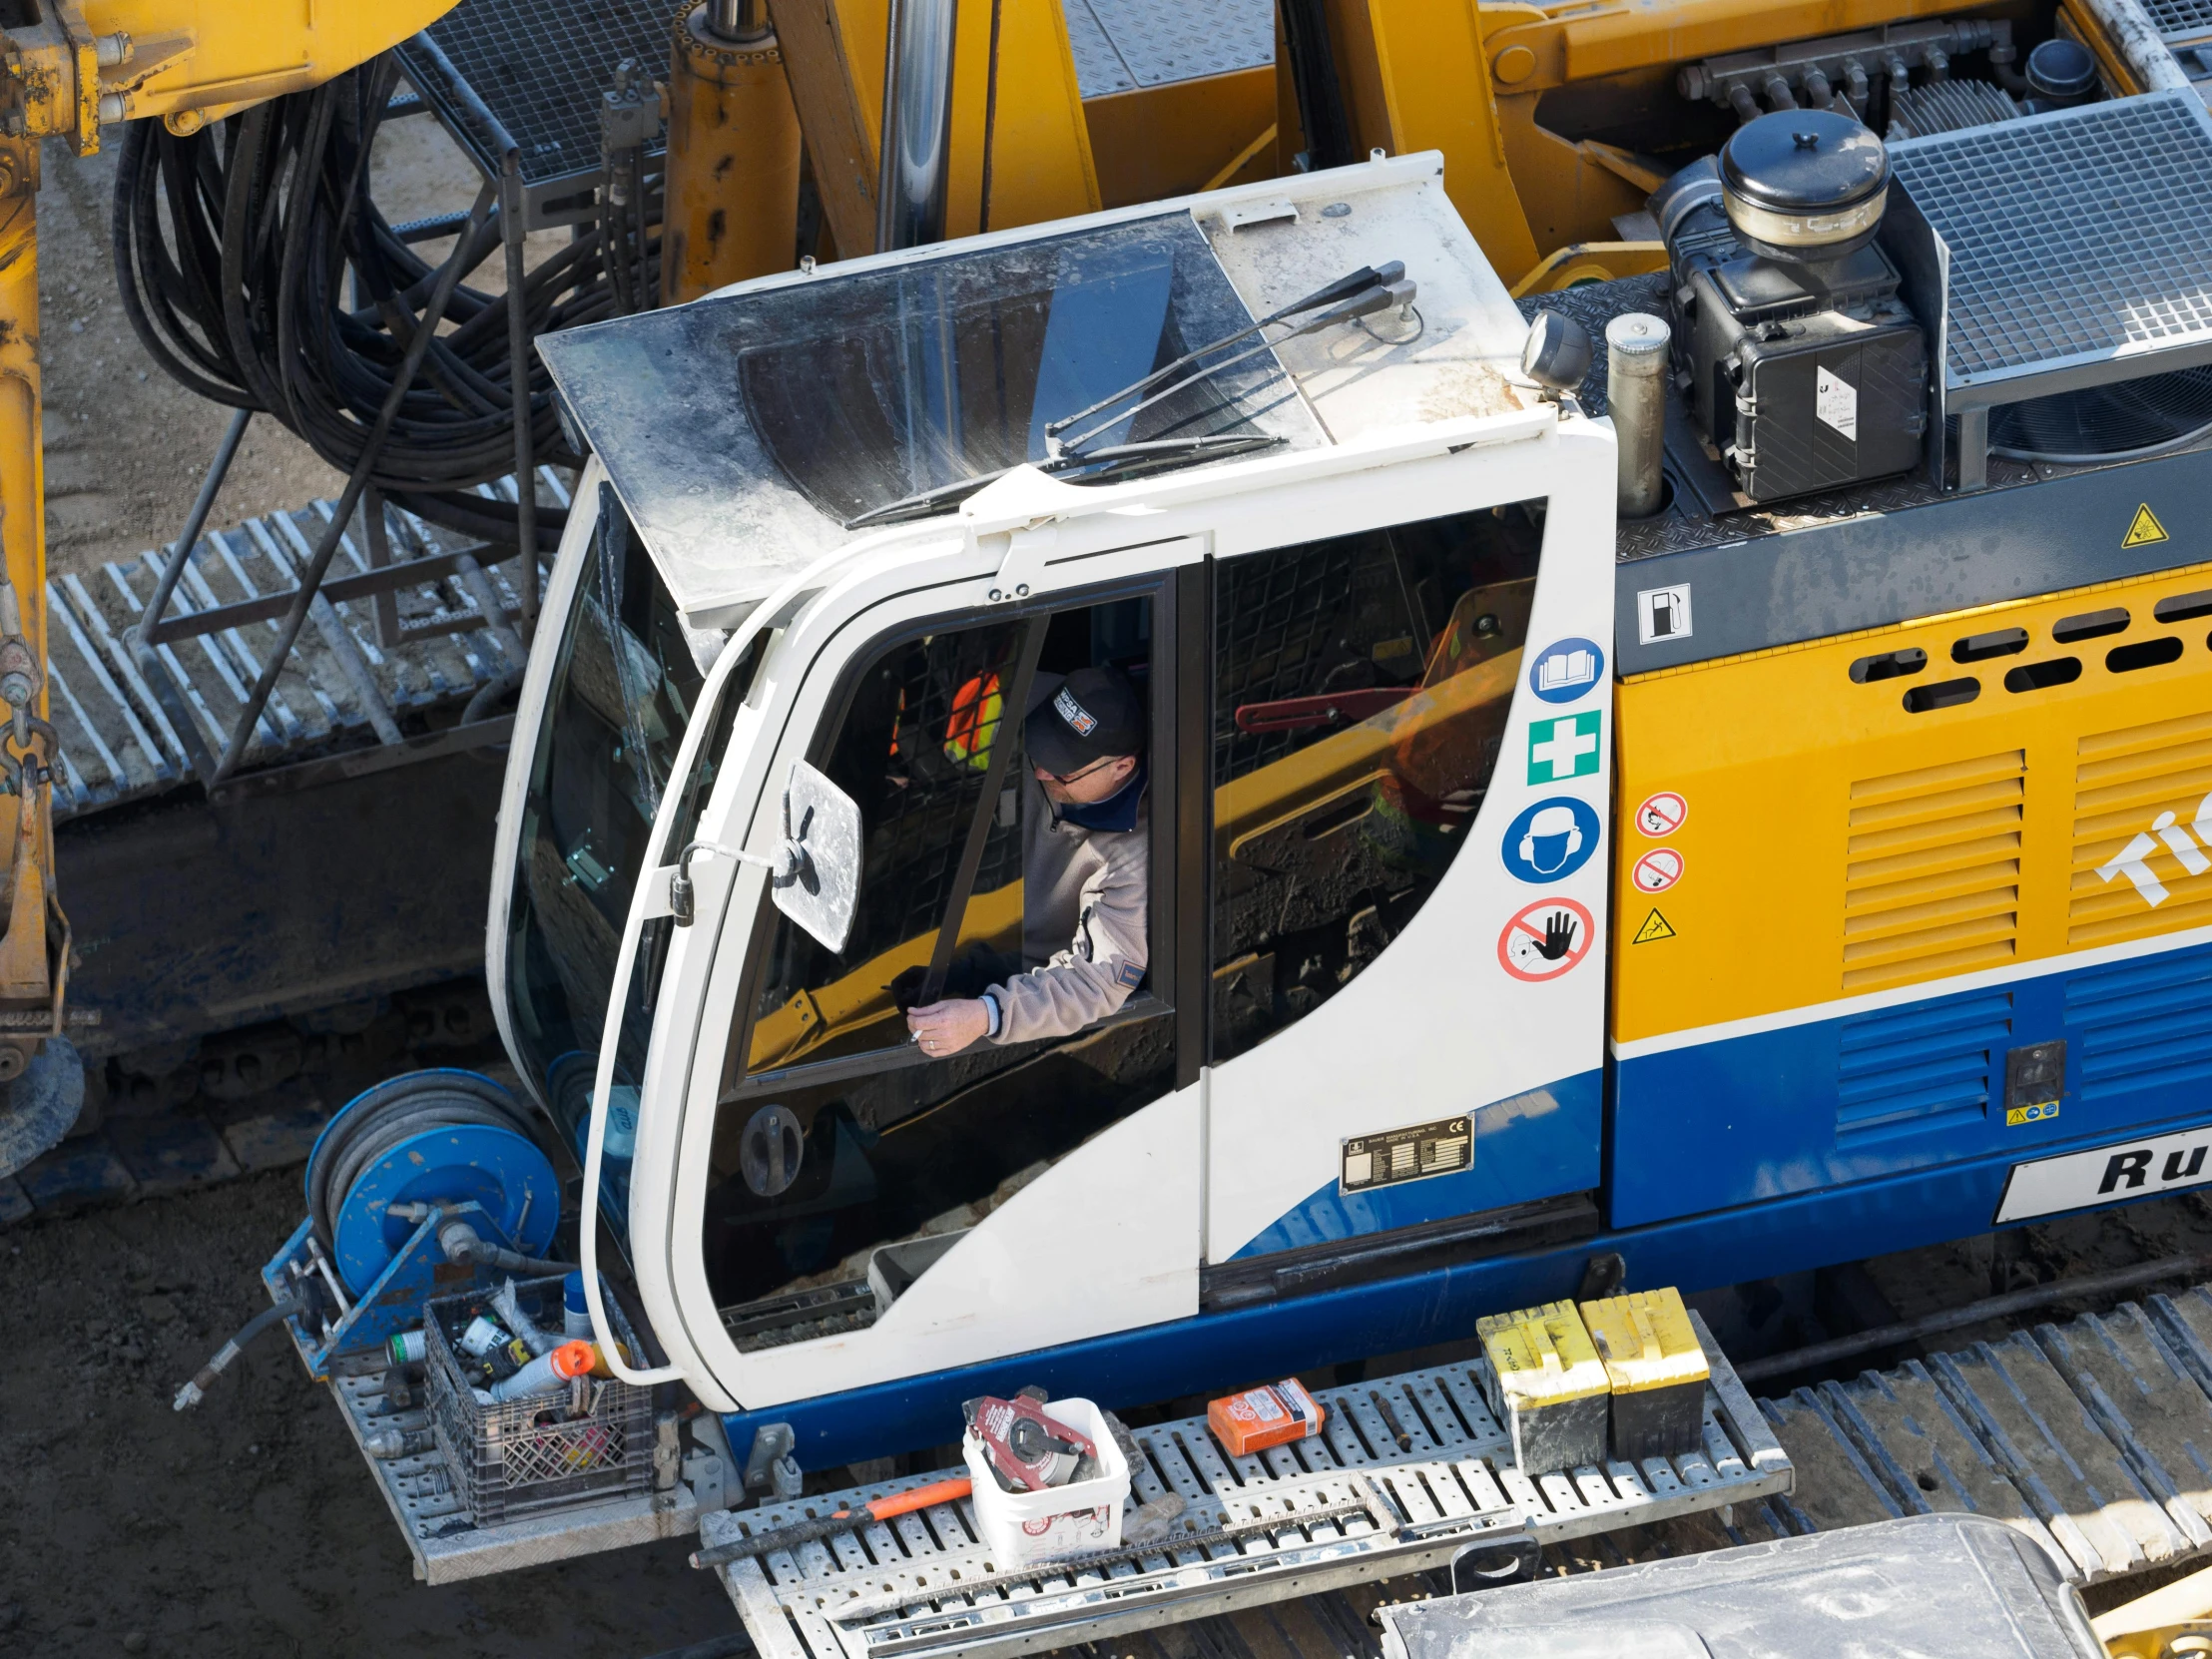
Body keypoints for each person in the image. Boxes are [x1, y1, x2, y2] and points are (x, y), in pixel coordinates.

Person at [904, 666, 1149, 1057]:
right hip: (965, 919)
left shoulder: (1131, 857)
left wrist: (987, 1015)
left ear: (1122, 767)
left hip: (1027, 987)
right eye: (1040, 747)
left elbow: (1097, 982)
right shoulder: (1029, 696)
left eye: (1061, 767)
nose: (1039, 770)